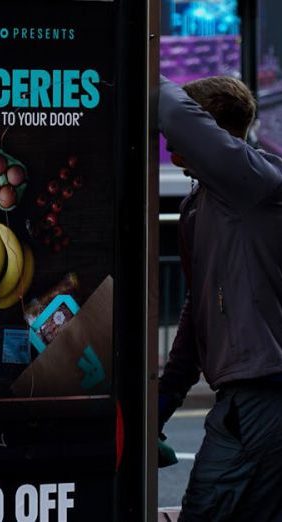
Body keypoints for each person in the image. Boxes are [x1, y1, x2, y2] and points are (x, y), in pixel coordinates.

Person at [158, 74, 282, 522]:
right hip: (244, 397)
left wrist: (136, 54)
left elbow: (171, 109)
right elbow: (197, 315)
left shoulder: (254, 179)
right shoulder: (197, 207)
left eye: (180, 136)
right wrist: (162, 402)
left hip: (265, 395)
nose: (170, 145)